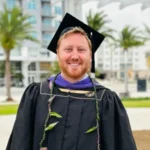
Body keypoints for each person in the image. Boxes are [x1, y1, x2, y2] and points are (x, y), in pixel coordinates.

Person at [6, 13, 137, 150]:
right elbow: (19, 144)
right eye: (68, 49)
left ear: (90, 55)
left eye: (81, 50)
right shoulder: (36, 95)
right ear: (58, 53)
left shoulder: (106, 100)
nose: (75, 56)